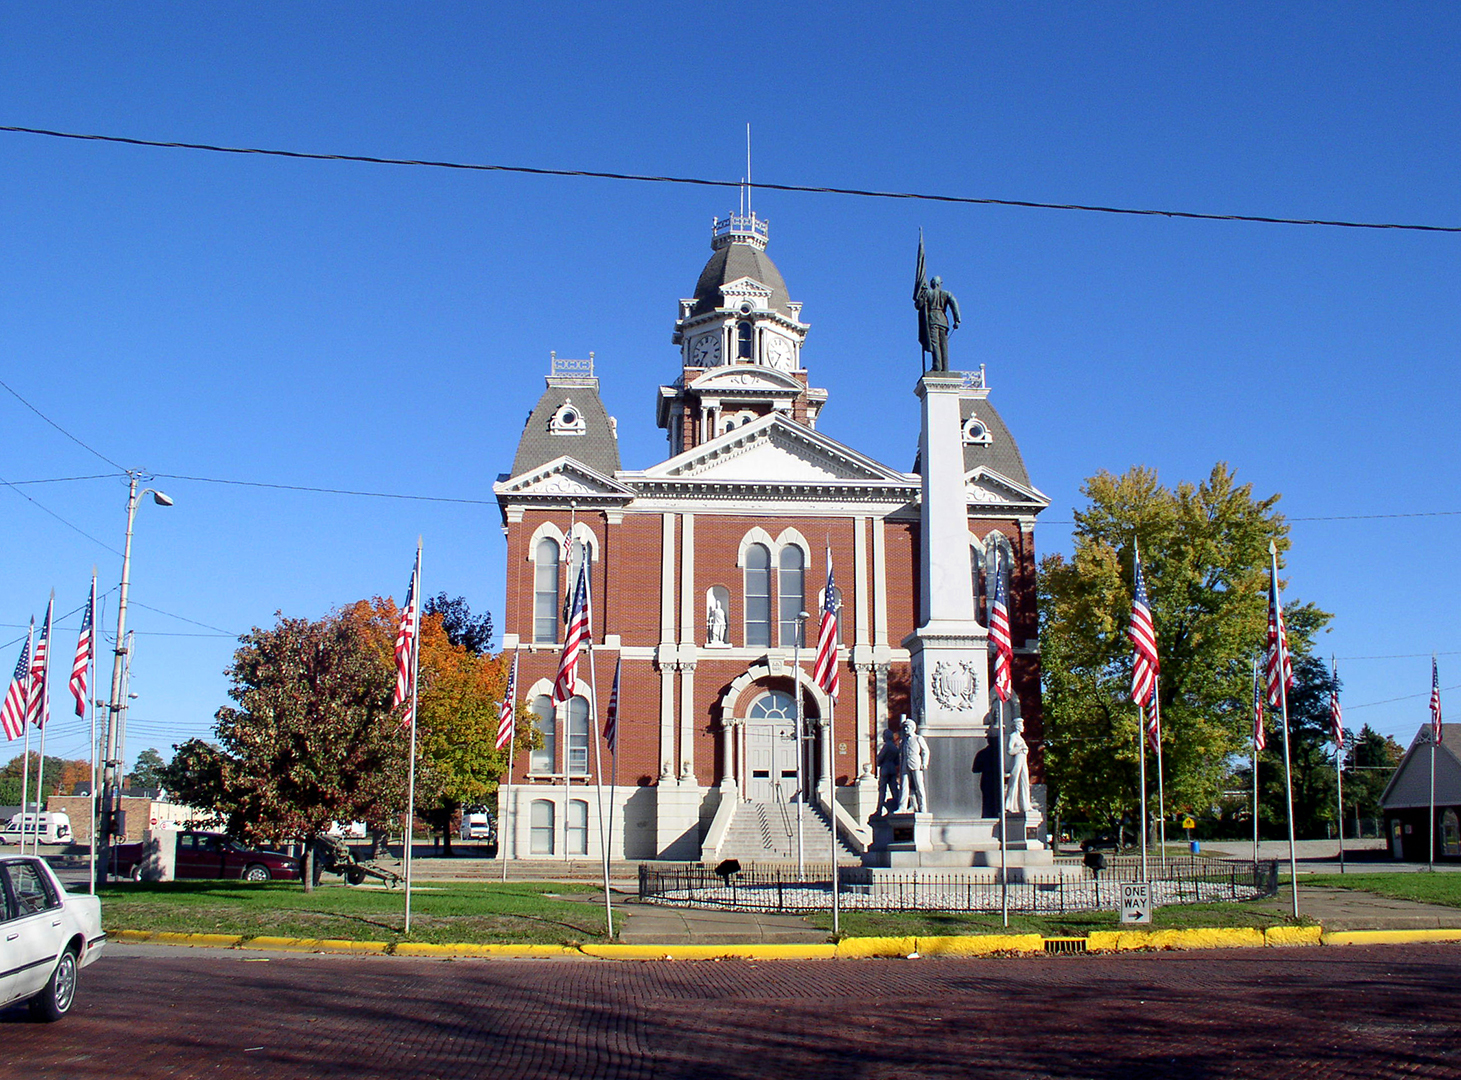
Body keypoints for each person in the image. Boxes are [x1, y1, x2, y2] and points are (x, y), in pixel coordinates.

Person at [898, 716, 930, 813]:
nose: (905, 729)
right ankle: (902, 807)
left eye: (907, 727)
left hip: (916, 764)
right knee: (904, 787)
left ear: (912, 728)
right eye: (904, 727)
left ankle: (923, 807)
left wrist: (924, 763)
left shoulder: (918, 738)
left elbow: (925, 751)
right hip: (905, 765)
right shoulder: (903, 741)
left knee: (919, 786)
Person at [1005, 717, 1032, 815]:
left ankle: (1025, 805)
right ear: (1017, 726)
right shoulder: (1013, 736)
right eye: (1021, 725)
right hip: (1017, 759)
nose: (1023, 727)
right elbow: (1009, 751)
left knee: (1025, 781)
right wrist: (1020, 748)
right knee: (1014, 780)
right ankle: (1008, 805)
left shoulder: (1020, 738)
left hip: (1023, 759)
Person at [875, 726, 902, 816]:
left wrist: (879, 762)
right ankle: (898, 806)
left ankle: (879, 810)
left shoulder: (886, 746)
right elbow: (897, 761)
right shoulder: (895, 748)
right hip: (892, 770)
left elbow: (879, 758)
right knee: (894, 789)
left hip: (885, 770)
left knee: (882, 790)